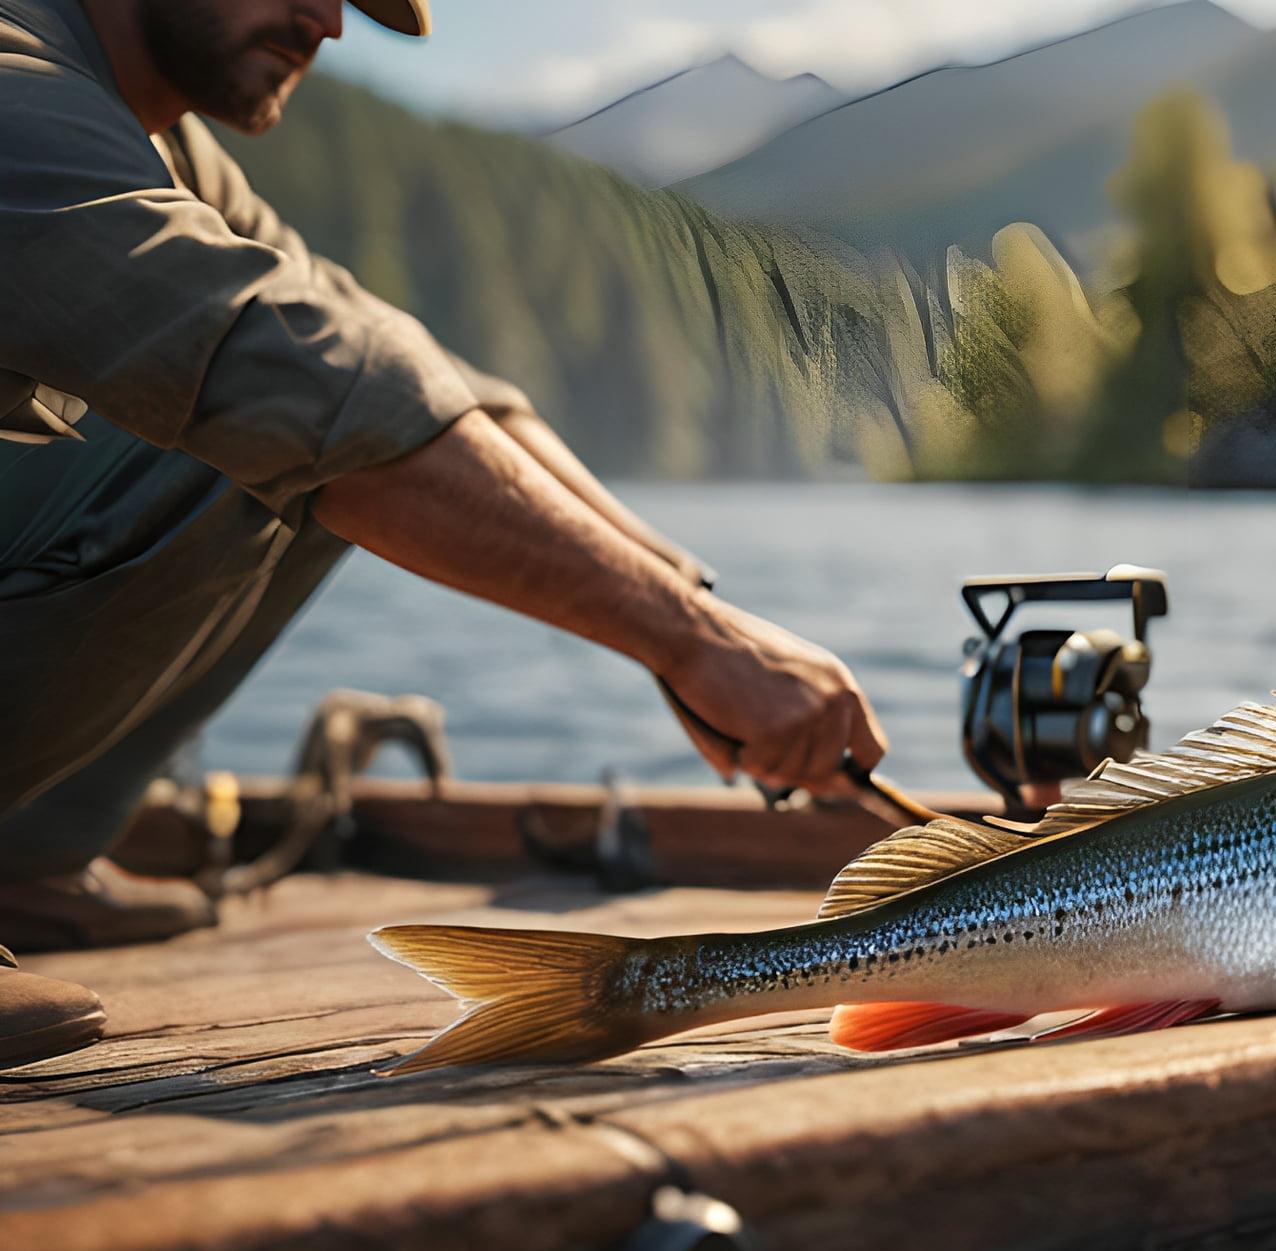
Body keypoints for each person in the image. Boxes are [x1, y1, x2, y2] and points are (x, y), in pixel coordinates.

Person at [0, 0, 889, 1065]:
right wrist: (695, 647)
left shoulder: (169, 149)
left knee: (330, 409)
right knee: (274, 415)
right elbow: (292, 375)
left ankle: (24, 856)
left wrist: (694, 611)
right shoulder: (17, 88)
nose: (326, 20)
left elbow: (405, 367)